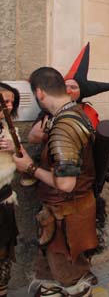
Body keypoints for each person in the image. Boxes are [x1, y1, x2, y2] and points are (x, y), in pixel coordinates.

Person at [13, 67, 97, 297]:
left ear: (39, 93)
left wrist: (29, 167)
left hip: (66, 218)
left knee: (73, 284)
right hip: (60, 216)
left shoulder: (64, 126)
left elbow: (66, 183)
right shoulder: (72, 114)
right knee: (50, 284)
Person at [64, 42, 109, 129]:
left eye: (73, 87)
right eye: (65, 87)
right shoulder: (53, 109)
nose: (68, 91)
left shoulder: (89, 112)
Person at [0, 83, 19, 297]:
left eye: (12, 102)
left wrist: (15, 148)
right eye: (5, 101)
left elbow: (21, 158)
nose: (10, 105)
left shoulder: (8, 127)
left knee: (3, 252)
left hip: (3, 198)